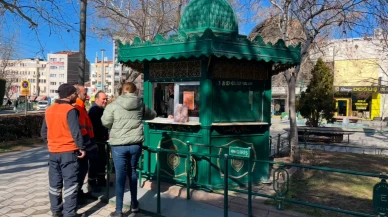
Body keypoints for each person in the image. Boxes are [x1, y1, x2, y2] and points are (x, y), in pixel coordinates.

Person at [102, 82, 156, 217]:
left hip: (119, 145)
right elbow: (152, 115)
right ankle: (134, 205)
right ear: (135, 91)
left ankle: (119, 211)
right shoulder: (140, 105)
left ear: (122, 91)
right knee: (132, 171)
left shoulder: (113, 105)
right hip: (135, 144)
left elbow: (105, 122)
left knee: (120, 175)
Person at [41, 83, 86, 217]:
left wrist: (53, 143)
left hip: (53, 153)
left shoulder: (49, 109)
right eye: (75, 94)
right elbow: (75, 132)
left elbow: (43, 132)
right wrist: (82, 148)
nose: (76, 96)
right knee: (70, 184)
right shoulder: (70, 110)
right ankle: (69, 214)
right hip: (68, 152)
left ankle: (56, 211)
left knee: (54, 184)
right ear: (70, 95)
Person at [73, 85, 98, 202]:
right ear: (77, 94)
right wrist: (87, 143)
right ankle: (76, 196)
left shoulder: (81, 107)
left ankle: (78, 192)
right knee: (79, 171)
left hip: (85, 143)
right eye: (84, 93)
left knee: (82, 170)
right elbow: (80, 129)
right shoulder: (77, 108)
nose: (86, 95)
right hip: (82, 145)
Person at [88, 90, 109, 188]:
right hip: (96, 141)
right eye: (103, 99)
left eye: (106, 99)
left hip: (101, 140)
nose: (105, 101)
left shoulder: (100, 109)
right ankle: (92, 183)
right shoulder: (94, 110)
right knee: (95, 163)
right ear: (96, 99)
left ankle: (101, 180)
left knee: (102, 161)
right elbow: (96, 126)